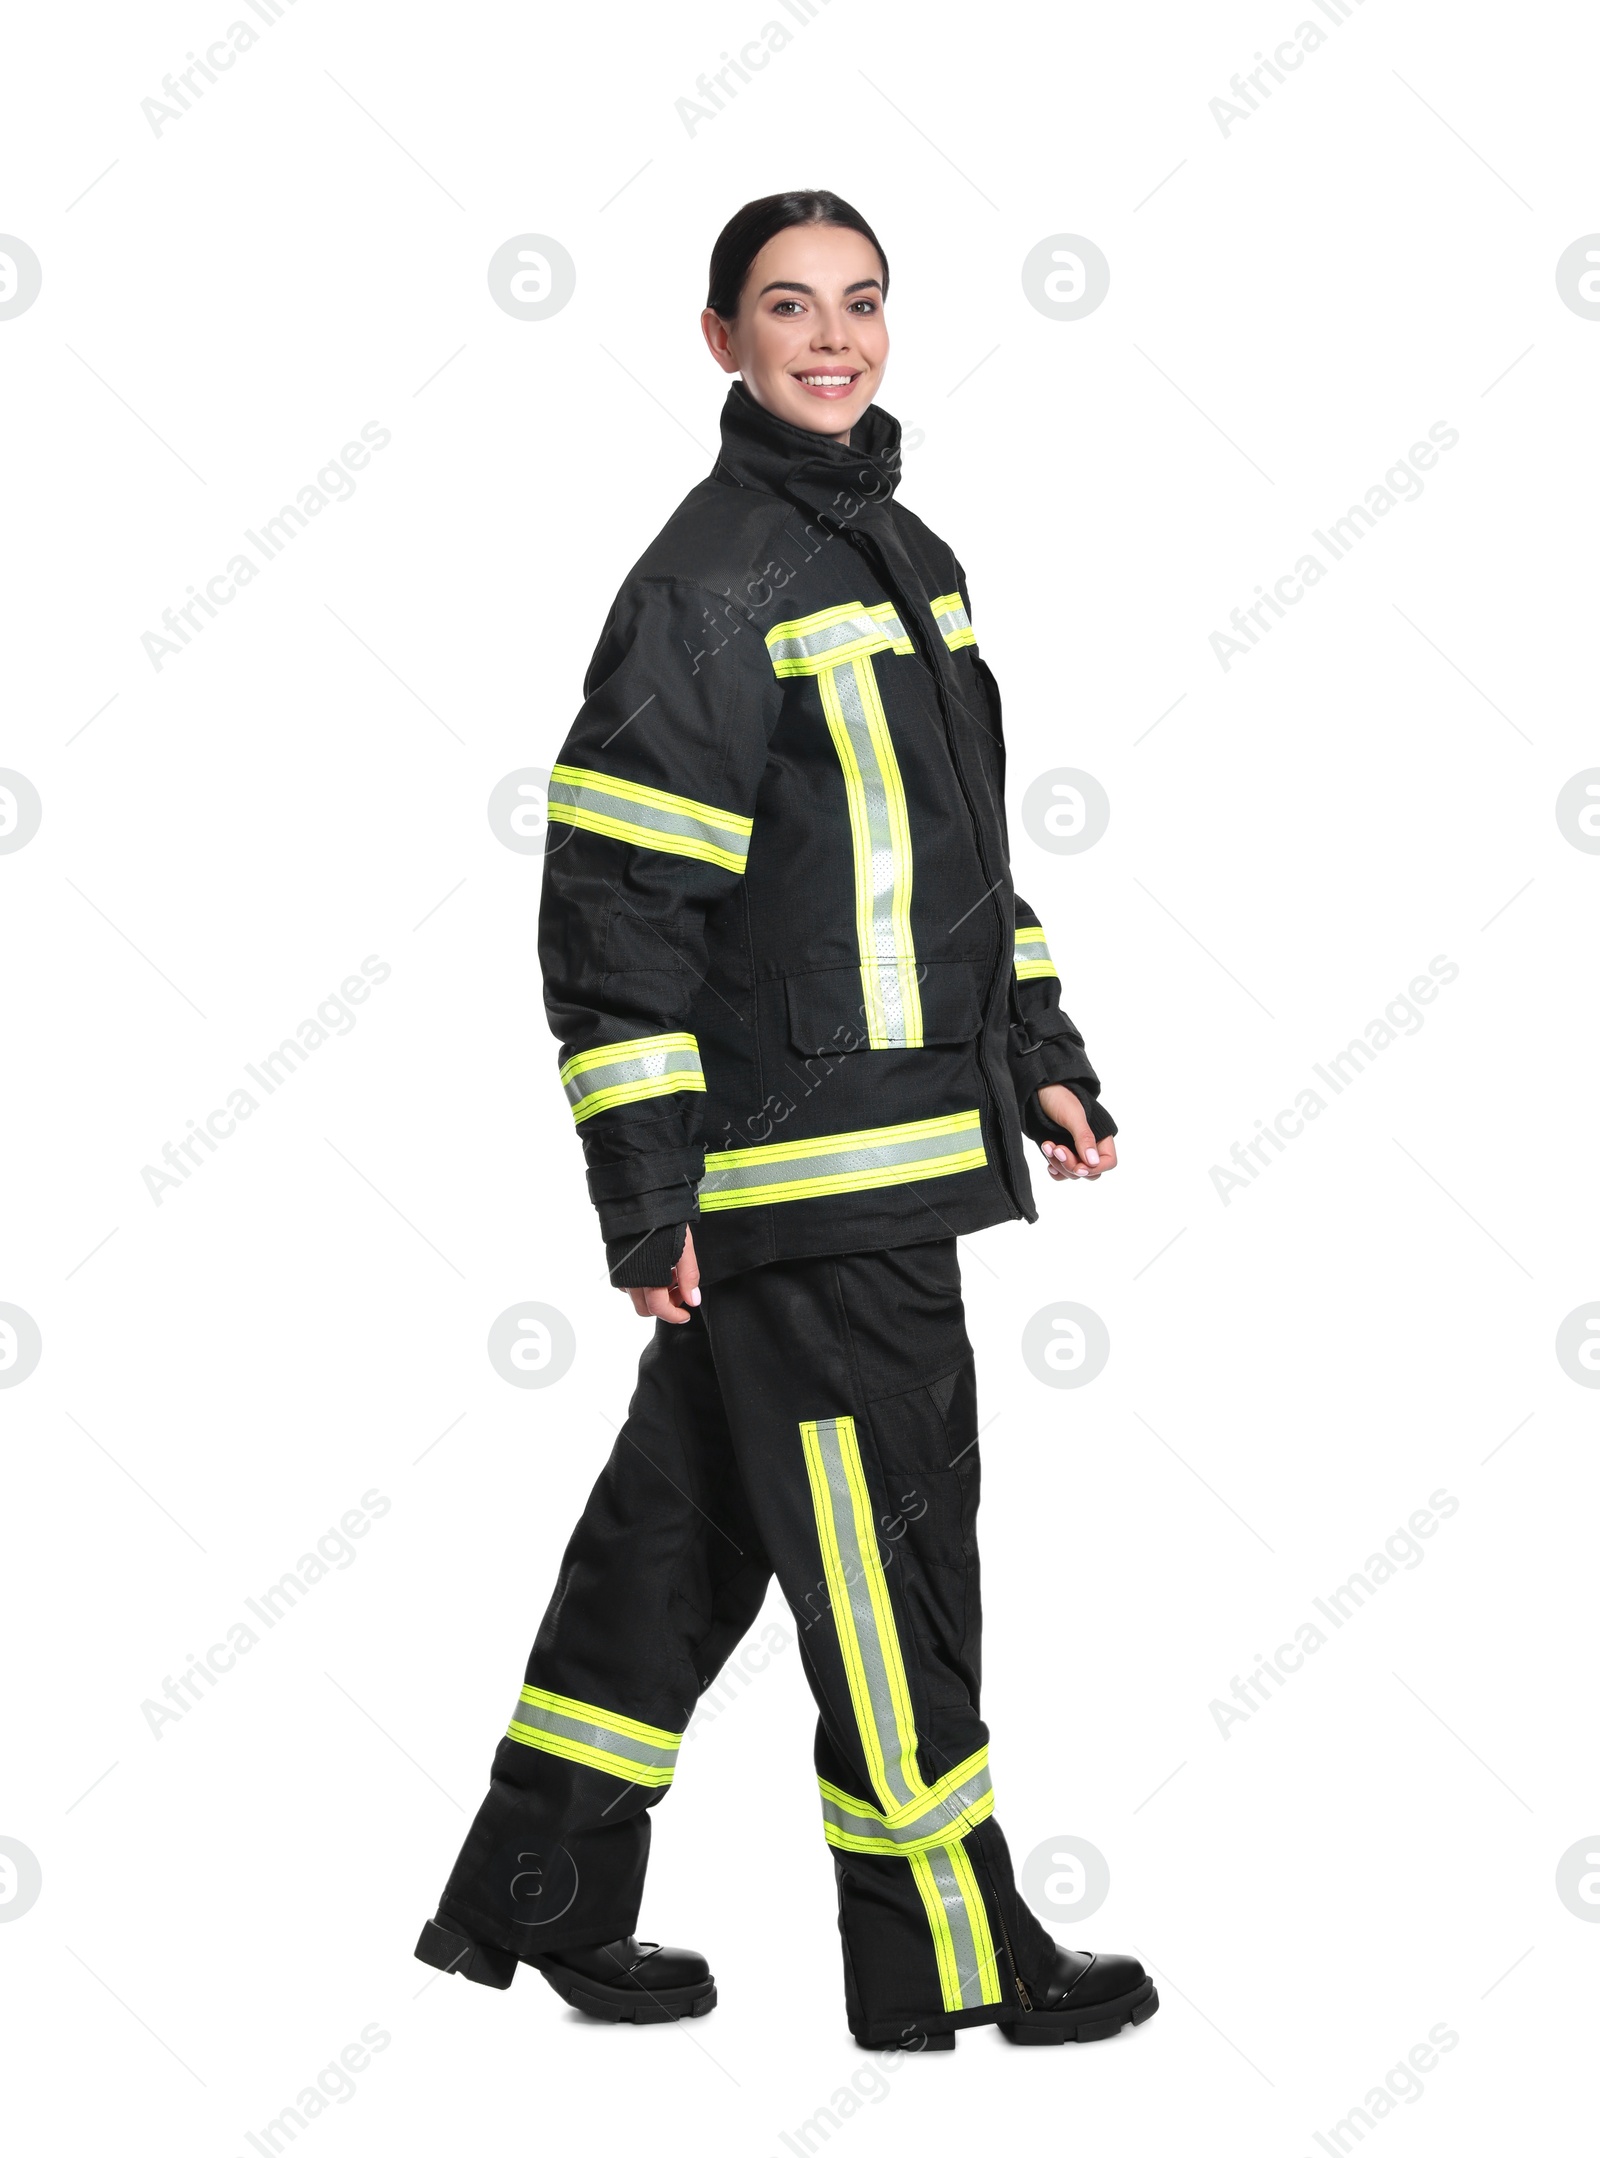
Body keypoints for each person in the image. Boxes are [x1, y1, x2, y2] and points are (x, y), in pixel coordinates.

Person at [415, 189, 1158, 2052]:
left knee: (679, 1534)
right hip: (817, 1189)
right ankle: (954, 1955)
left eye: (861, 305)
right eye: (787, 306)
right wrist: (645, 1189)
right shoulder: (706, 579)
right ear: (718, 337)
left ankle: (545, 1890)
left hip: (898, 1145)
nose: (832, 338)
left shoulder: (900, 549)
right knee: (895, 1557)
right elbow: (614, 907)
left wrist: (1042, 1047)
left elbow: (963, 872)